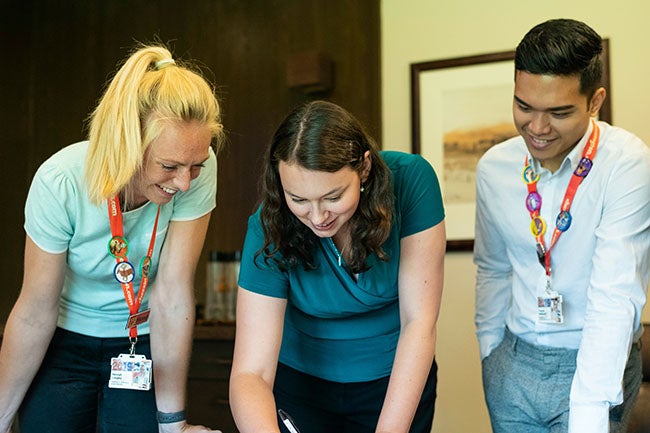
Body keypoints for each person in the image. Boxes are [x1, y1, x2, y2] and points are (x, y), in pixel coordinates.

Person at [0, 44, 225, 433]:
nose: (185, 182)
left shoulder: (195, 169)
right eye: (169, 166)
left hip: (142, 342)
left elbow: (172, 294)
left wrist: (173, 423)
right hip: (63, 339)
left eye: (196, 166)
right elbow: (36, 309)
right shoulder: (61, 181)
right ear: (127, 143)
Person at [474, 18, 650, 433]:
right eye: (524, 106)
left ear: (595, 101)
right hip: (513, 363)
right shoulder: (494, 168)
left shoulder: (626, 163)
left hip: (594, 362)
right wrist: (491, 355)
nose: (537, 128)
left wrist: (589, 413)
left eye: (559, 112)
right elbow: (493, 268)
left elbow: (615, 292)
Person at [229, 100, 445, 433]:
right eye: (298, 200)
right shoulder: (269, 223)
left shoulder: (410, 181)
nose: (317, 217)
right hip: (302, 385)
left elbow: (420, 322)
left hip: (394, 379)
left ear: (364, 168)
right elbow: (251, 373)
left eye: (333, 197)